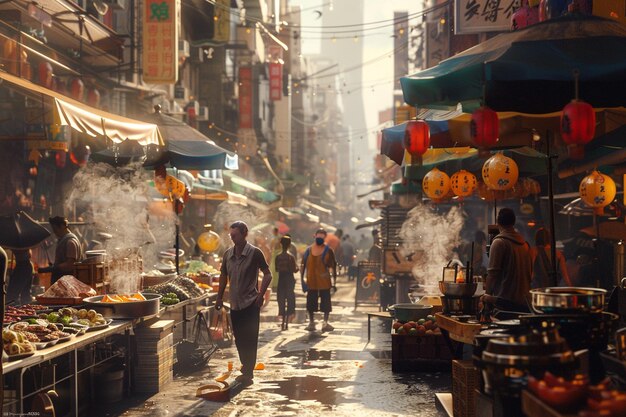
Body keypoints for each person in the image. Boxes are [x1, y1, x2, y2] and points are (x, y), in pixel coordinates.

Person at [215, 221, 272, 386]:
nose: (233, 239)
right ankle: (246, 367)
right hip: (235, 304)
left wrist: (260, 295)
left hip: (250, 304)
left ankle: (248, 372)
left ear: (244, 234)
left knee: (250, 339)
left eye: (236, 235)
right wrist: (219, 298)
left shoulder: (255, 253)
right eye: (231, 236)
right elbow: (223, 277)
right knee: (239, 339)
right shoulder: (227, 254)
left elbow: (267, 275)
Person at [482, 208, 532, 313]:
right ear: (513, 222)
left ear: (498, 222)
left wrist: (486, 299)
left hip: (505, 304)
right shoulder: (525, 245)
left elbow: (492, 274)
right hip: (524, 303)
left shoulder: (499, 242)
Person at [301, 228, 337, 332]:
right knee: (310, 303)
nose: (320, 238)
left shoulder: (328, 251)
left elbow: (333, 267)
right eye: (318, 235)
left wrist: (334, 282)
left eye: (322, 236)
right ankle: (311, 323)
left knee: (326, 304)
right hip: (311, 282)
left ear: (325, 238)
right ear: (314, 236)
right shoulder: (308, 250)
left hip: (325, 283)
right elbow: (303, 265)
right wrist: (302, 280)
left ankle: (325, 323)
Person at [39, 216, 83, 285]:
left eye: (55, 229)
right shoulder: (64, 240)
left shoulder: (70, 242)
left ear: (62, 226)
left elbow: (70, 265)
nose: (54, 232)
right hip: (63, 281)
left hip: (67, 283)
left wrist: (52, 268)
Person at [275, 236, 298, 330]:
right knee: (290, 300)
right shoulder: (290, 257)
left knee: (281, 299)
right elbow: (294, 269)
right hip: (289, 280)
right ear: (289, 245)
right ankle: (287, 323)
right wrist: (298, 268)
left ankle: (282, 322)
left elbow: (277, 269)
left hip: (281, 279)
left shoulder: (278, 257)